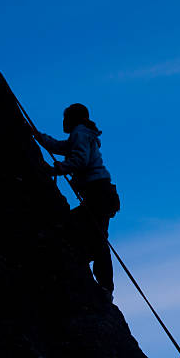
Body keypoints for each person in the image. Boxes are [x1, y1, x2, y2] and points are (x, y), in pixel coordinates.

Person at [36, 103, 119, 301]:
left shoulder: (80, 133)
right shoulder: (82, 134)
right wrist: (37, 135)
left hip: (97, 193)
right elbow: (60, 147)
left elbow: (80, 160)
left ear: (72, 119)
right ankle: (103, 284)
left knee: (95, 237)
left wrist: (58, 169)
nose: (63, 122)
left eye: (65, 118)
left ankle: (105, 286)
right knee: (94, 235)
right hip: (101, 193)